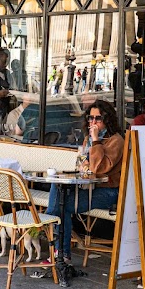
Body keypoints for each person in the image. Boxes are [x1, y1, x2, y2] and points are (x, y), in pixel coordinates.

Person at [47, 99, 123, 265]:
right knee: (56, 187)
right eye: (90, 118)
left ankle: (60, 250)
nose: (93, 122)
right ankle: (61, 252)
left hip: (110, 191)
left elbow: (99, 167)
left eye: (98, 119)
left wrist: (96, 142)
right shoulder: (88, 139)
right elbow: (82, 164)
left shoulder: (115, 141)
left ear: (107, 120)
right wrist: (90, 155)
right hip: (88, 187)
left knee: (62, 207)